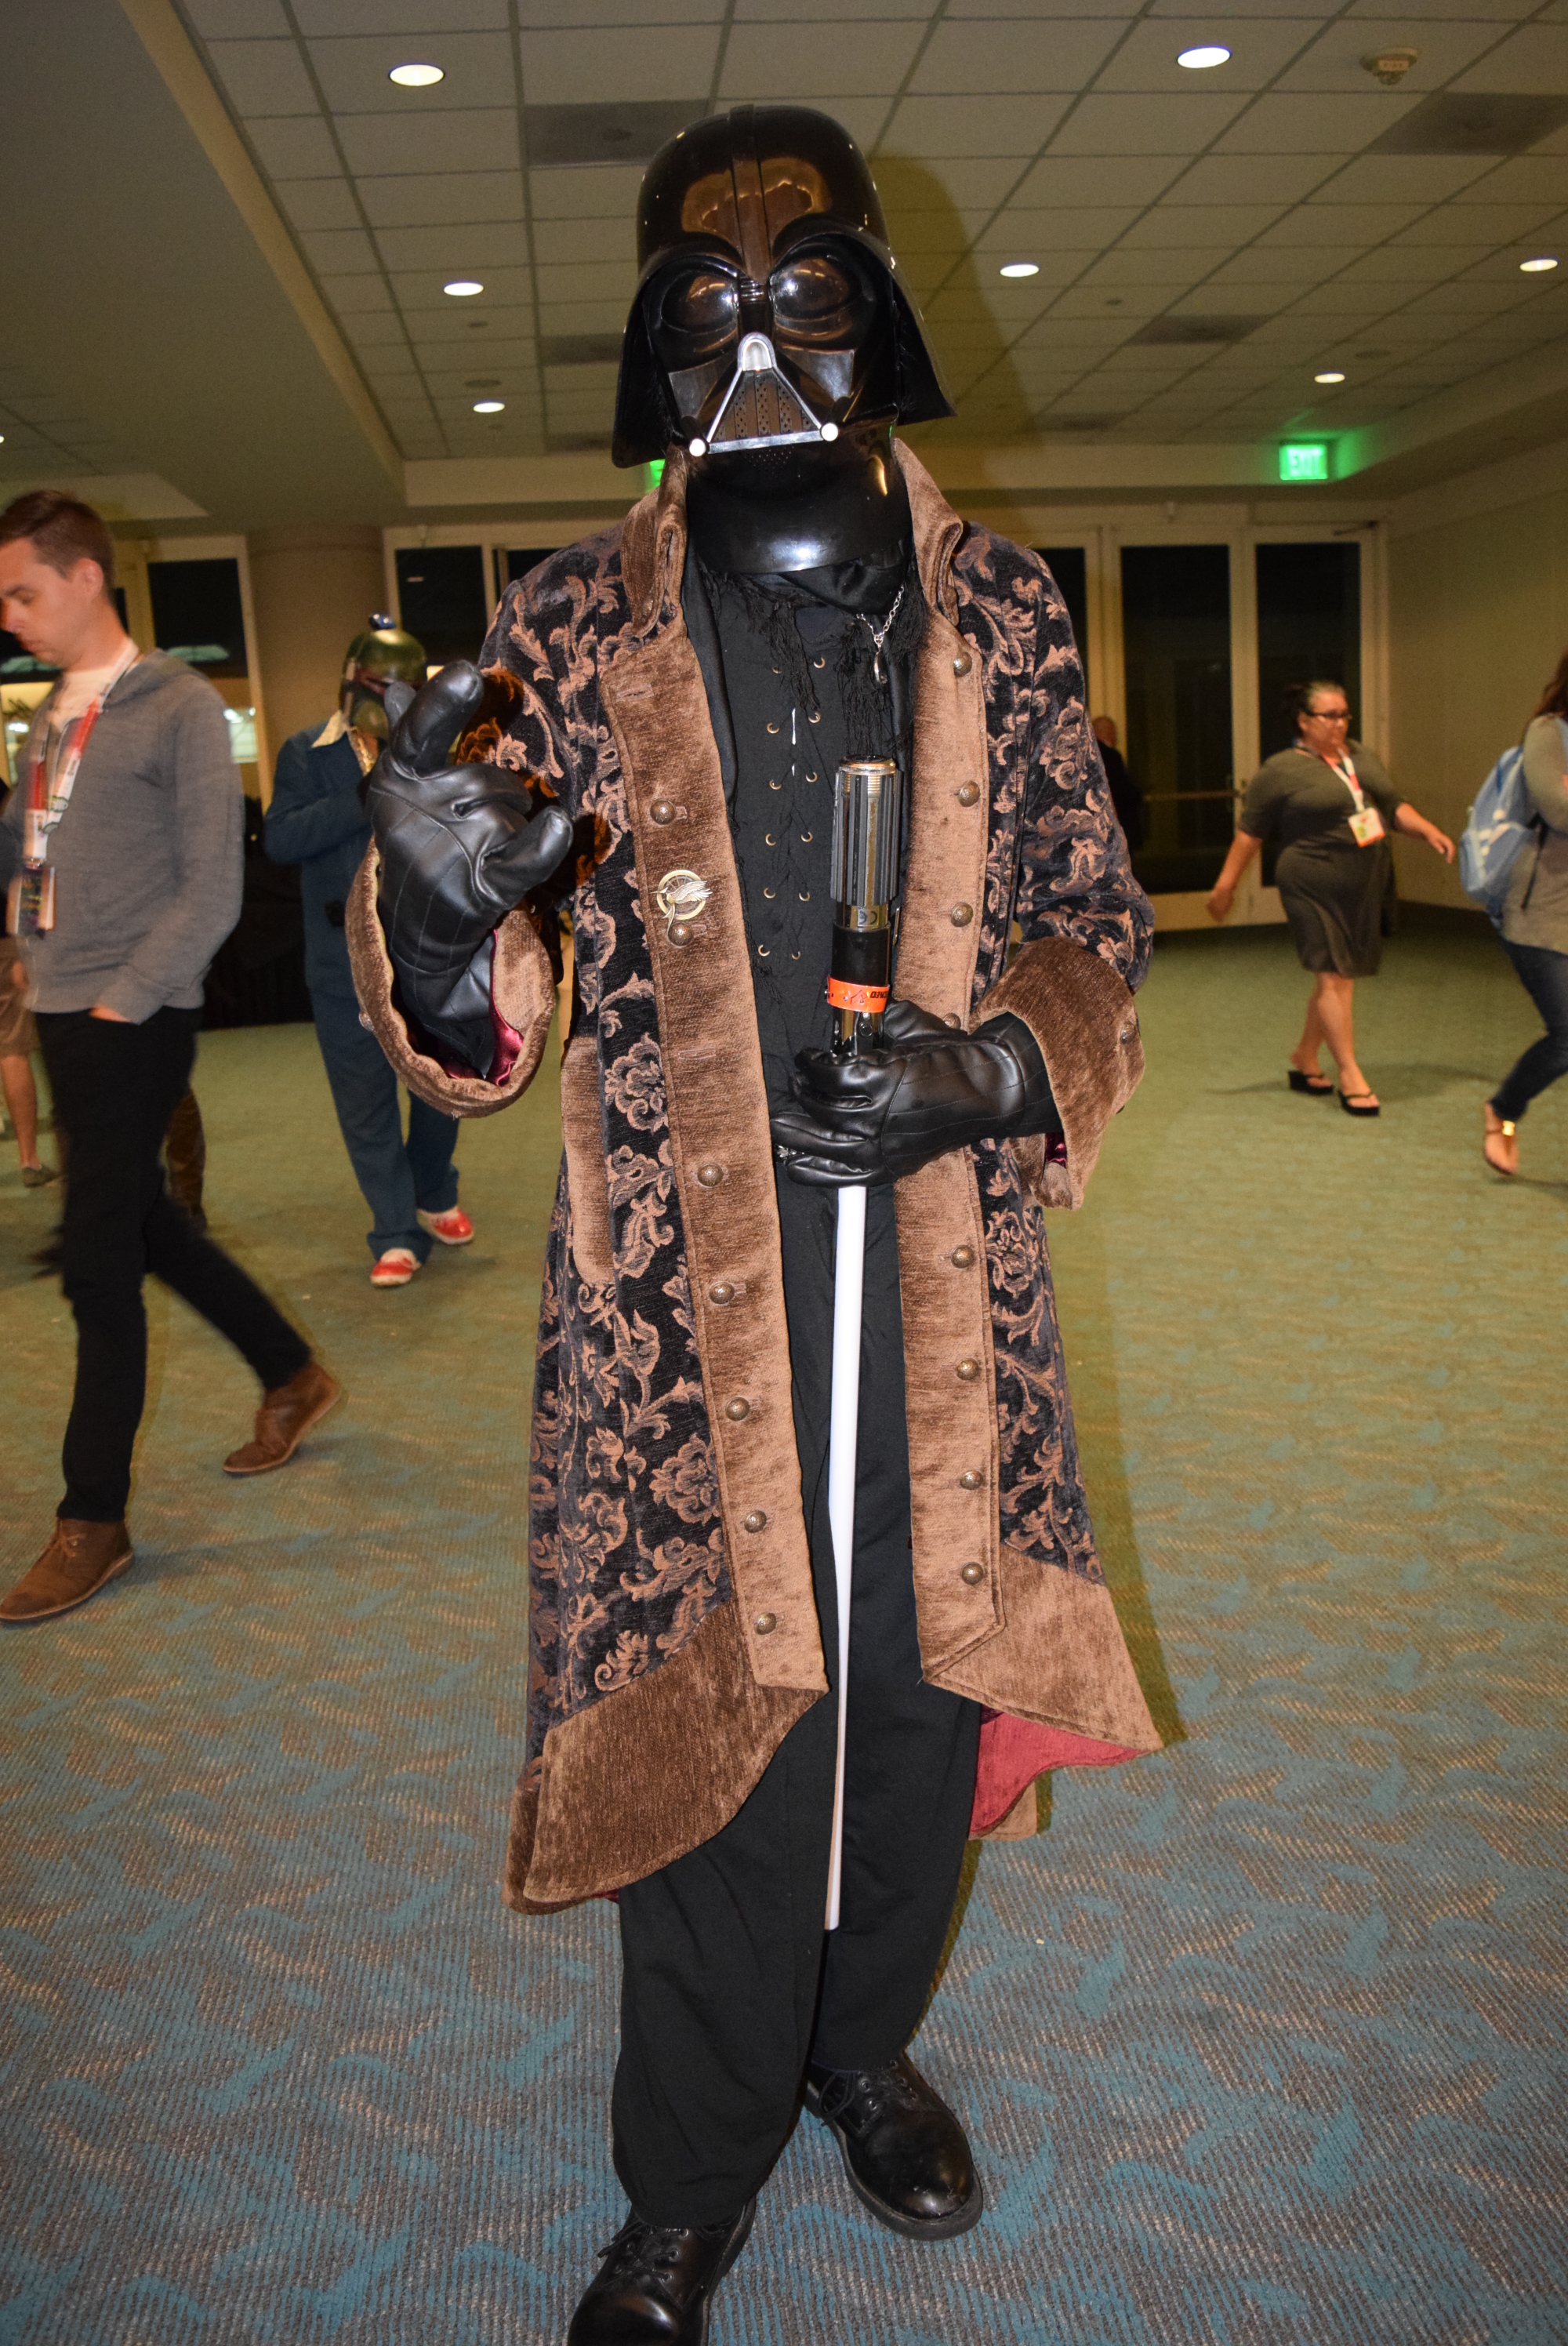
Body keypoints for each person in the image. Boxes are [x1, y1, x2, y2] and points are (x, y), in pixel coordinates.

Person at [350, 107, 1159, 2346]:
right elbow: (485, 1027)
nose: (762, 348)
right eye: (703, 309)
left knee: (908, 1695)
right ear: (648, 345)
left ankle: (856, 2043)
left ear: (875, 309)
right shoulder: (563, 622)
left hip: (937, 1271)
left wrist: (990, 1070)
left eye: (806, 293)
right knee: (719, 1719)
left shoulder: (1000, 606)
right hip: (674, 1304)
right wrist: (439, 912)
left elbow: (1091, 915)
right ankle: (688, 2175)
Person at [0, 490, 339, 1627]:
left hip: (131, 1015)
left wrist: (125, 1000)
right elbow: (30, 853)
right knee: (144, 1223)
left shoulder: (179, 706)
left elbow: (213, 887)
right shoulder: (51, 715)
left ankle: (92, 1518)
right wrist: (25, 955)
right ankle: (291, 1370)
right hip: (62, 1003)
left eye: (23, 593)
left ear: (85, 577)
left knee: (97, 1264)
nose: (10, 617)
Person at [265, 618, 472, 1287]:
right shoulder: (308, 752)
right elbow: (282, 839)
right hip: (342, 965)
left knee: (442, 1087)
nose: (386, 698)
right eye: (376, 684)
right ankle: (395, 1229)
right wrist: (369, 791)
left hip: (428, 958)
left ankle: (433, 1188)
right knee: (365, 1098)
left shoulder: (438, 753)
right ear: (352, 679)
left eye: (401, 687)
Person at [1207, 680, 1454, 1116]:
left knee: (1340, 974)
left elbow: (1393, 805)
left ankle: (1305, 1055)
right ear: (1304, 721)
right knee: (1332, 975)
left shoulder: (1358, 756)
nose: (1339, 724)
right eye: (1329, 716)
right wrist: (1225, 886)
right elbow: (1249, 835)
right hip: (1310, 882)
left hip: (1361, 883)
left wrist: (1428, 830)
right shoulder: (1280, 770)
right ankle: (1351, 1074)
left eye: (1344, 715)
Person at [1483, 649, 1568, 1175]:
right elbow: (1560, 811)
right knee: (1567, 1039)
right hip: (1544, 918)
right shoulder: (1548, 733)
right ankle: (1504, 1110)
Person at [1, 933, 57, 1186]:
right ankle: (29, 1161)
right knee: (12, 1047)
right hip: (6, 942)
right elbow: (24, 906)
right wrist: (28, 943)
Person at [1092, 714, 1145, 852]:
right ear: (1110, 732)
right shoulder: (1111, 756)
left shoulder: (1089, 757)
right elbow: (1121, 788)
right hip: (1117, 824)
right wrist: (1137, 795)